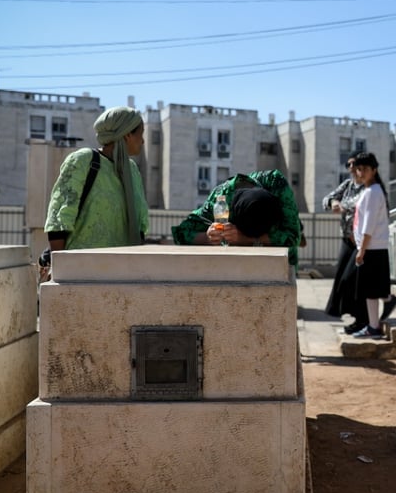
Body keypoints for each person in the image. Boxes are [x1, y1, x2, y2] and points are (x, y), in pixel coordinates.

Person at [42, 106, 149, 279]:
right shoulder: (84, 160)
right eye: (140, 134)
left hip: (122, 275)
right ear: (127, 134)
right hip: (80, 274)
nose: (142, 141)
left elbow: (139, 227)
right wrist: (59, 268)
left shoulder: (132, 171)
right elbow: (59, 218)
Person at [172, 169, 302, 267]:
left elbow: (292, 238)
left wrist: (245, 239)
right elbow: (181, 233)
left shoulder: (277, 185)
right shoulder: (220, 201)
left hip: (280, 265)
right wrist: (209, 237)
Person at [345, 152, 396, 339]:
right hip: (371, 247)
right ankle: (375, 323)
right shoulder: (369, 191)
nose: (360, 173)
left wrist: (362, 250)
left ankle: (373, 326)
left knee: (370, 291)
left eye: (365, 169)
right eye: (358, 169)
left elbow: (369, 225)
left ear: (374, 170)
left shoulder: (373, 192)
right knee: (371, 290)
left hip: (372, 247)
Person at [323, 156, 367, 334]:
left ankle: (364, 318)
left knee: (354, 280)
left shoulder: (368, 189)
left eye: (354, 164)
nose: (351, 167)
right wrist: (334, 203)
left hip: (361, 241)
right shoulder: (348, 185)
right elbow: (328, 198)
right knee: (342, 278)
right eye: (348, 164)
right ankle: (357, 317)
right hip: (346, 240)